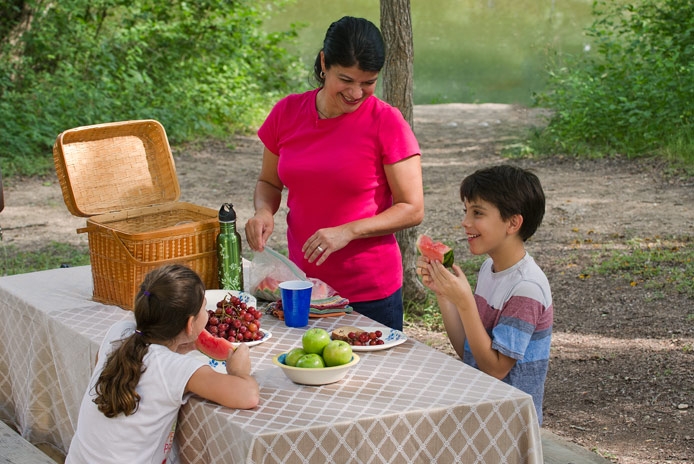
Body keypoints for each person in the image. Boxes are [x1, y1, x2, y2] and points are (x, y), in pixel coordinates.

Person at [245, 16, 423, 331]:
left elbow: (412, 209)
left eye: (368, 82)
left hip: (370, 292)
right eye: (347, 79)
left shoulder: (387, 122)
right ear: (325, 63)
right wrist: (263, 210)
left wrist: (348, 231)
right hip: (303, 286)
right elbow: (269, 182)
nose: (357, 93)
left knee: (373, 380)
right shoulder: (287, 113)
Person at [65, 264, 259, 464]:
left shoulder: (118, 332)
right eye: (204, 309)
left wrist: (174, 348)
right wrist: (239, 371)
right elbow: (248, 396)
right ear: (190, 324)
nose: (207, 314)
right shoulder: (174, 368)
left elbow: (113, 364)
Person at [416, 165, 553, 424]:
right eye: (465, 211)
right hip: (482, 412)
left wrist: (465, 303)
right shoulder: (489, 269)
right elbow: (469, 353)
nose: (465, 222)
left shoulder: (526, 288)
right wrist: (445, 296)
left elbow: (495, 369)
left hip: (509, 426)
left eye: (477, 213)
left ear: (513, 222)